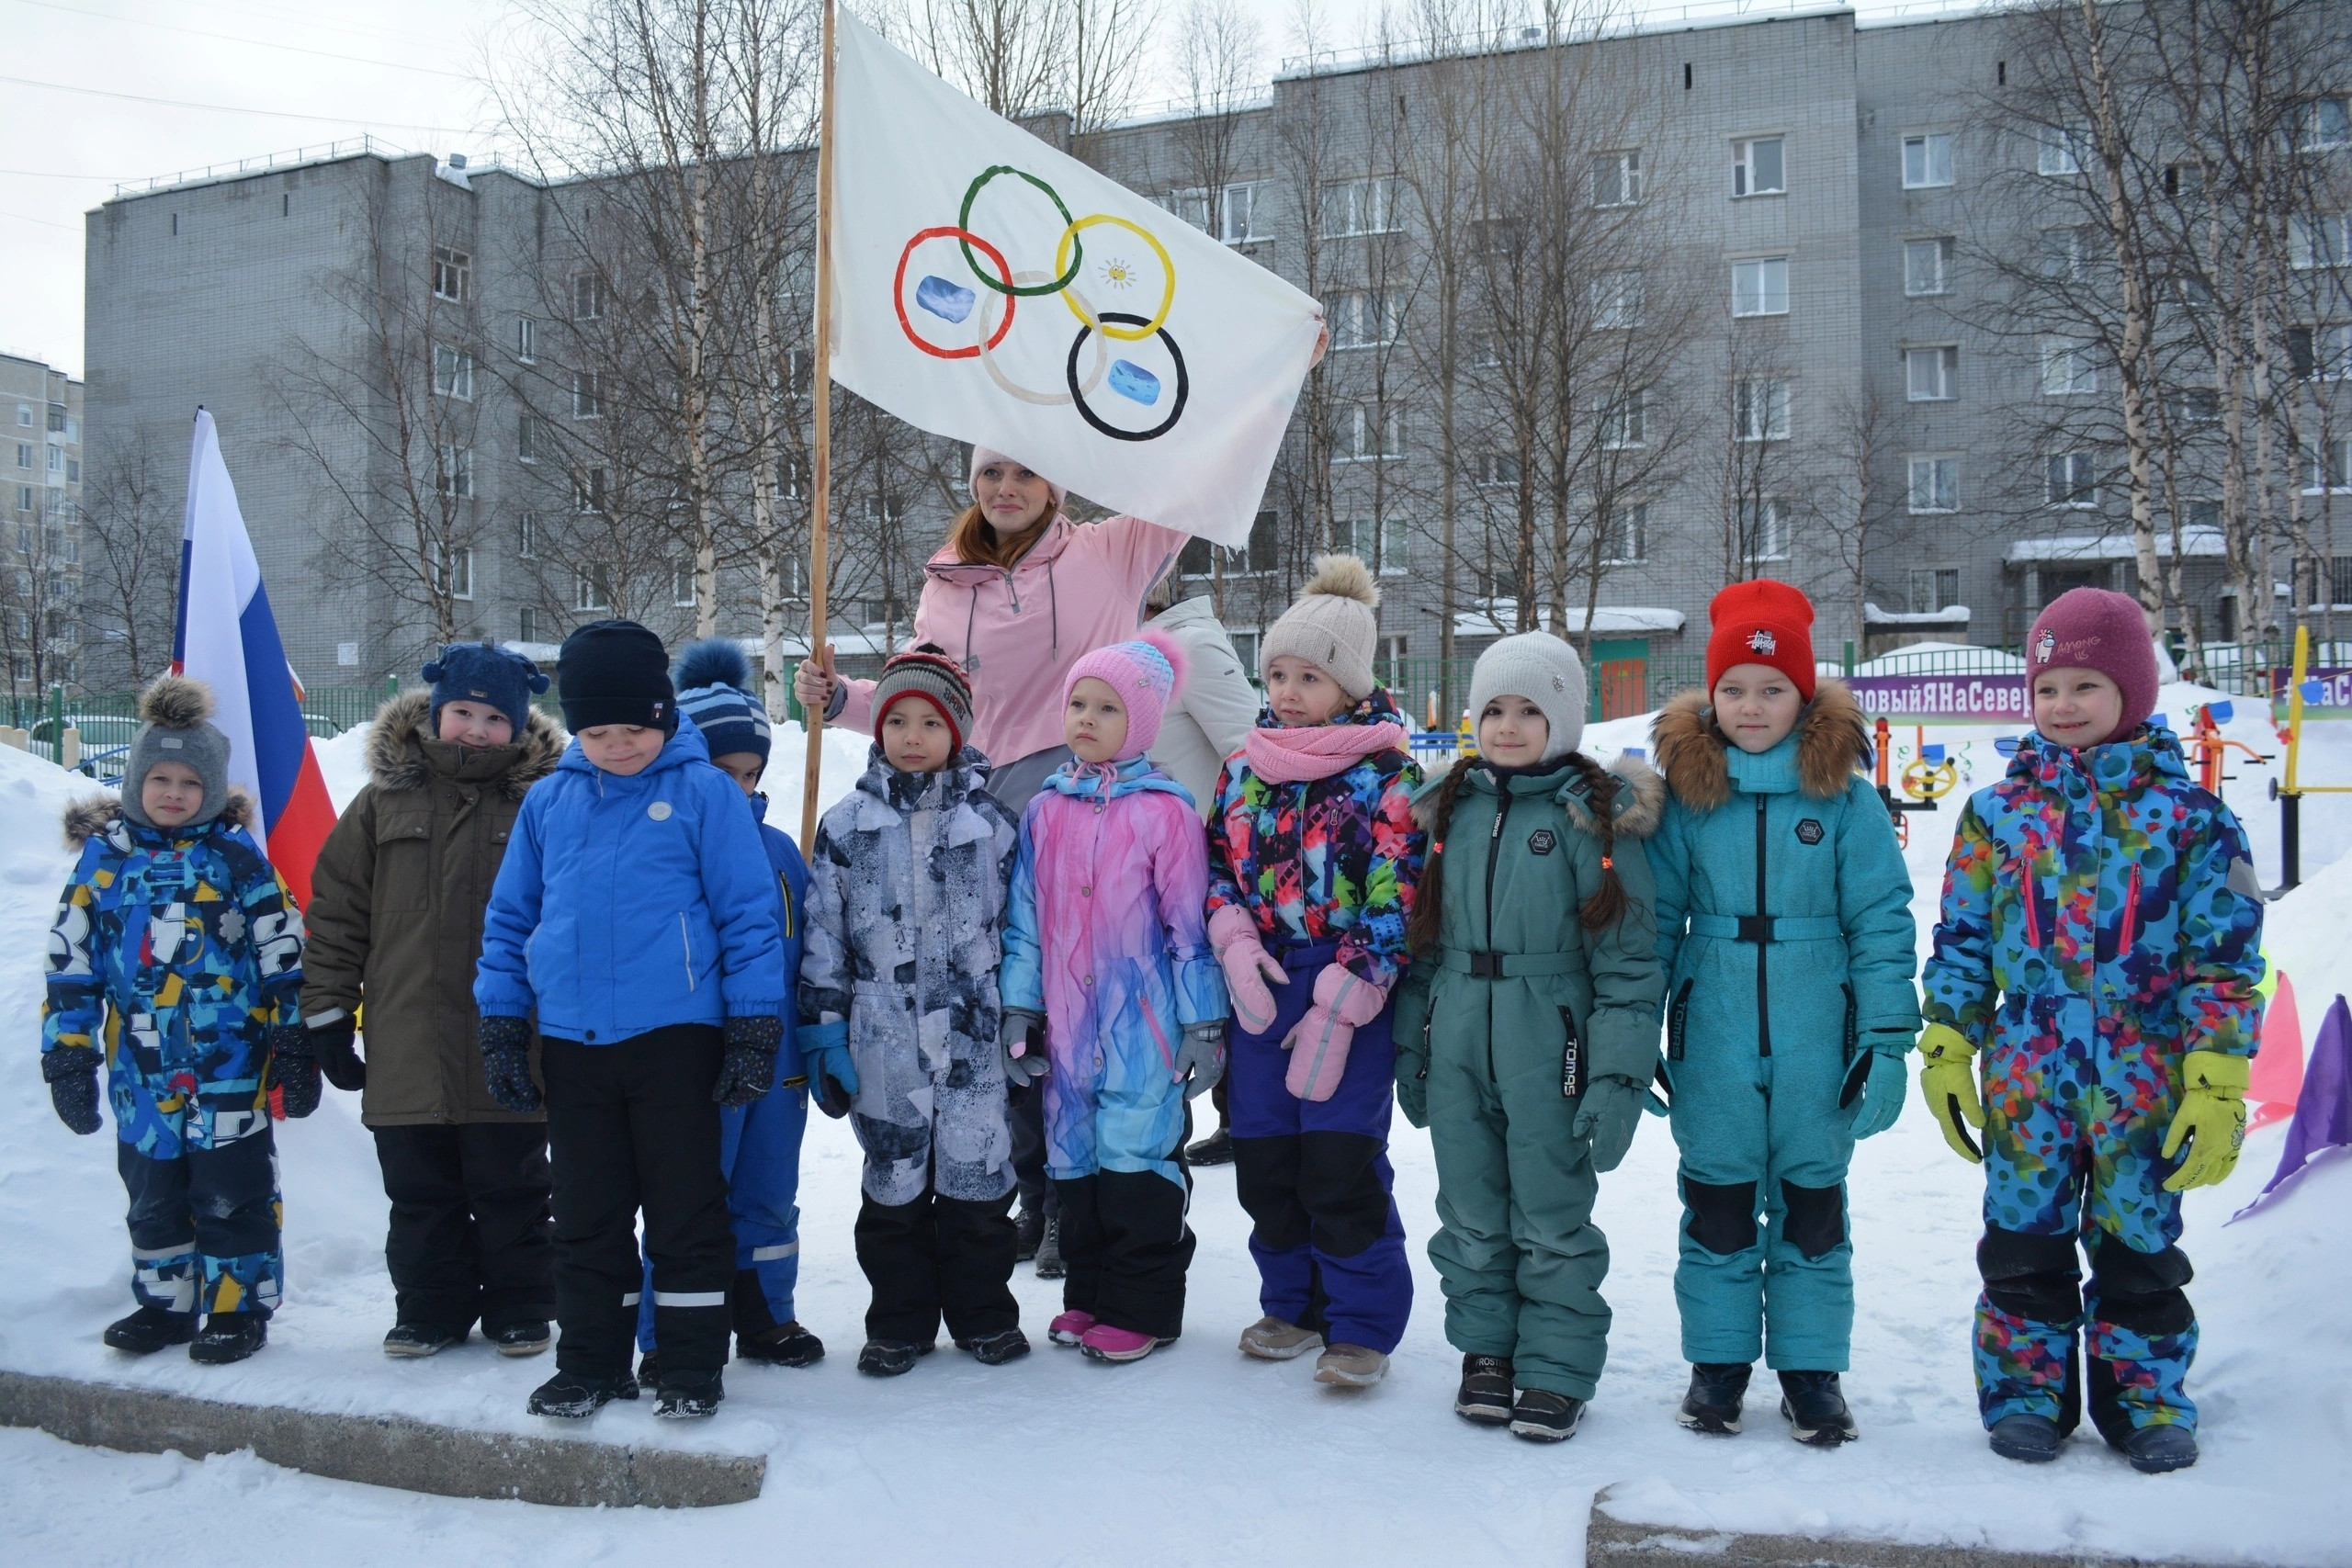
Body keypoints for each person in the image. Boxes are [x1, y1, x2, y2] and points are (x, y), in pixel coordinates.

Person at [793, 450, 1187, 1280]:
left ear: (1057, 486)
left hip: (1077, 794)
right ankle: (1029, 1191)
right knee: (998, 1001)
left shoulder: (1111, 550)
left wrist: (1274, 371)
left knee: (1062, 1003)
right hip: (975, 806)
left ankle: (1073, 1197)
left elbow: (1195, 476)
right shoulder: (948, 581)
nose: (1006, 488)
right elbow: (924, 690)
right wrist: (842, 700)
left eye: (1026, 474)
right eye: (991, 473)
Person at [1920, 587, 2262, 1475]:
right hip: (2030, 1072)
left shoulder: (2193, 822)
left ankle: (2145, 1399)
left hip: (2145, 1075)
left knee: (2139, 1247)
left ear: (2133, 693)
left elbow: (2222, 963)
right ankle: (2028, 1394)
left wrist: (2217, 1077)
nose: (2064, 705)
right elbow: (1961, 936)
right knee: (2023, 1244)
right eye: (2048, 687)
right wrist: (1949, 1043)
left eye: (2085, 684)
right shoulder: (1997, 814)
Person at [475, 620, 789, 1422]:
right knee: (585, 1213)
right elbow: (511, 921)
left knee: (686, 1211)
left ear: (666, 715)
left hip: (677, 1041)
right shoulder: (550, 802)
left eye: (636, 728)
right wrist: (504, 1020)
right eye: (598, 731)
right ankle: (591, 1361)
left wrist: (753, 1023)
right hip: (574, 1045)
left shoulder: (705, 794)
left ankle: (686, 1364)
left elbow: (751, 916)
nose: (619, 745)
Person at [1646, 582, 1917, 1447]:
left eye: (1771, 688)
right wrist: (1632, 1036)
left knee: (1811, 1205)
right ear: (1710, 695)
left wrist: (1884, 1038)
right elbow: (1652, 922)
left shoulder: (1844, 798)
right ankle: (1718, 1365)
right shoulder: (1686, 796)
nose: (1751, 706)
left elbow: (1882, 918)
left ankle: (1811, 1370)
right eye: (1734, 688)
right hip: (1713, 1032)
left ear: (1804, 697)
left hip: (1817, 1034)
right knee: (1718, 1202)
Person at [1393, 632, 1664, 1442]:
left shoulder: (1591, 814)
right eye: (1493, 709)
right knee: (1470, 1206)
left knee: (1549, 1212)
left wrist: (1617, 1077)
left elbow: (1628, 962)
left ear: (1566, 718)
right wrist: (1414, 1043)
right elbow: (1421, 946)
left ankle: (1556, 1366)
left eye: (1529, 710)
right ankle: (1489, 1353)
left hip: (1551, 1042)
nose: (1507, 727)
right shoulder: (1450, 806)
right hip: (1457, 1035)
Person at [41, 675, 315, 1367]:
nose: (172, 793)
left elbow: (285, 950)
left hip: (229, 1067)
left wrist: (293, 1034)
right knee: (153, 1195)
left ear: (214, 790)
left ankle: (235, 1307)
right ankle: (166, 1303)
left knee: (234, 1192)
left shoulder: (235, 859)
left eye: (190, 782)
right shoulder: (103, 864)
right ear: (134, 782)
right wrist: (69, 1054)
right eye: (158, 778)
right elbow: (72, 964)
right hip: (143, 1072)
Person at [303, 642, 562, 1360]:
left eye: (492, 717)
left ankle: (521, 1303)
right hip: (408, 1036)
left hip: (512, 1040)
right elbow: (337, 910)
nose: (476, 730)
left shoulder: (543, 802)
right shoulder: (383, 802)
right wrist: (327, 1008)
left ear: (518, 724)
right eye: (462, 712)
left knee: (513, 1183)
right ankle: (429, 1306)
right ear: (434, 712)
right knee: (420, 1190)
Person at [1204, 555, 1424, 1390]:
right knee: (1267, 1159)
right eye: (1278, 673)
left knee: (1338, 1160)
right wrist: (1232, 939)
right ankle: (1291, 1304)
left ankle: (1361, 1323)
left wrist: (1354, 984)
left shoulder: (1386, 777)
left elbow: (1399, 888)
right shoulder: (1245, 767)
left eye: (1311, 676)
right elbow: (1217, 866)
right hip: (1261, 979)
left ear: (1353, 684)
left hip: (1348, 988)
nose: (1289, 690)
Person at [799, 646, 1028, 1377]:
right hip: (882, 1035)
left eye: (930, 721)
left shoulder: (992, 823)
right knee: (894, 1183)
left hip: (974, 1037)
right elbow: (823, 936)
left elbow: (1021, 926)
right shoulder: (846, 824)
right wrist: (825, 1030)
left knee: (977, 1180)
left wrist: (1027, 1009)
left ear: (956, 731)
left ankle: (984, 1315)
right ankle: (898, 1322)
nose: (912, 735)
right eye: (897, 719)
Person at [1001, 633, 1228, 1364]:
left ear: (1142, 722)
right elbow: (1025, 922)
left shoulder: (1166, 811)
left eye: (1107, 707)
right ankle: (1090, 1299)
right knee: (1076, 1169)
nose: (1087, 718)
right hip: (1067, 1030)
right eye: (1078, 703)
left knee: (1136, 1169)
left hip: (1145, 1026)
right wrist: (1020, 1007)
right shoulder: (1046, 810)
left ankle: (1146, 1308)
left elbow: (1189, 926)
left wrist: (1202, 1020)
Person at [630, 640, 824, 1387]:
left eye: (751, 774)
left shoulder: (780, 850)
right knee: (687, 1194)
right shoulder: (668, 843)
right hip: (696, 1055)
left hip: (777, 1061)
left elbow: (811, 952)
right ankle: (670, 1327)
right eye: (722, 772)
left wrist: (817, 1038)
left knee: (769, 1189)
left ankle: (766, 1311)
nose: (739, 788)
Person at [1143, 575, 1261, 1169]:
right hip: (1146, 860)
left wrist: (1226, 841)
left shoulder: (1191, 643)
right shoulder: (1137, 644)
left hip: (1196, 857)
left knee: (1205, 992)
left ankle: (1242, 1118)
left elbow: (1249, 749)